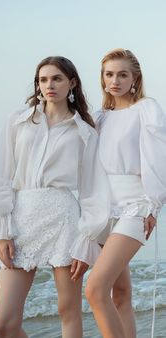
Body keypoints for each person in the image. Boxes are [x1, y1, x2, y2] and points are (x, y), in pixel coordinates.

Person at [0, 56, 110, 338]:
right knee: (4, 323)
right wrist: (3, 229)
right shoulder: (18, 121)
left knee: (68, 311)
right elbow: (0, 174)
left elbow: (92, 190)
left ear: (72, 83)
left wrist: (87, 240)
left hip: (65, 221)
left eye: (57, 79)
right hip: (21, 218)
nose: (49, 85)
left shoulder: (85, 132)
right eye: (43, 79)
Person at [85, 48, 166, 338]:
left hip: (136, 206)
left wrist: (153, 206)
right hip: (105, 210)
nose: (115, 80)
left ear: (135, 78)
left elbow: (157, 159)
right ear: (102, 78)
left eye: (122, 74)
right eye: (109, 74)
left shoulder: (146, 109)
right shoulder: (99, 118)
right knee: (120, 294)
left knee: (95, 289)